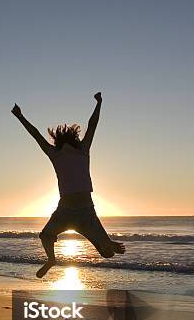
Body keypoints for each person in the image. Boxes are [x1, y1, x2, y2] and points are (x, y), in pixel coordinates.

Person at [11, 92, 125, 278]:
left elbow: (92, 125)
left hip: (86, 213)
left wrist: (99, 104)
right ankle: (51, 260)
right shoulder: (60, 153)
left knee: (108, 254)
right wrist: (20, 117)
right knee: (45, 235)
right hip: (64, 211)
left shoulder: (81, 151)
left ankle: (107, 242)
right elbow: (36, 135)